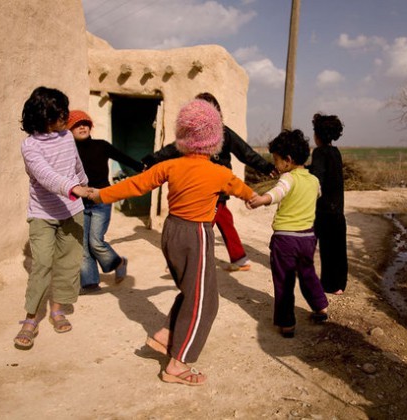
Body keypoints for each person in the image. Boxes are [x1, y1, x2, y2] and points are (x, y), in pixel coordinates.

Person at [88, 99, 256, 385]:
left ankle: (166, 335)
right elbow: (247, 193)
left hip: (171, 232)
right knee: (205, 302)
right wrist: (261, 198)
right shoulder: (220, 173)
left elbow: (134, 184)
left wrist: (99, 194)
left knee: (190, 291)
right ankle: (178, 364)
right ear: (215, 138)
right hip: (196, 234)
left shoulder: (170, 166)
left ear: (183, 135)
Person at [141, 92, 276, 272]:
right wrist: (152, 159)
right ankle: (240, 259)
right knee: (224, 219)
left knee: (202, 225)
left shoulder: (224, 133)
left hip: (217, 187)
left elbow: (246, 153)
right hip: (200, 185)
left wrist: (267, 167)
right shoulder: (193, 134)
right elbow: (171, 150)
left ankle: (187, 260)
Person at [14, 87, 92, 350]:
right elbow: (45, 176)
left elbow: (75, 165)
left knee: (69, 263)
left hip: (72, 211)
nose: (65, 118)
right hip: (43, 214)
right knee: (42, 263)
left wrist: (85, 184)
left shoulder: (67, 137)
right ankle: (31, 318)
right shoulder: (30, 146)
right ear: (42, 116)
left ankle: (57, 309)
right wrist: (74, 188)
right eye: (59, 114)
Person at [248, 129, 329, 338]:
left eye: (276, 160)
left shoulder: (288, 178)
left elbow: (277, 193)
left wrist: (260, 200)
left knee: (284, 280)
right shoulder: (313, 181)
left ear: (288, 160)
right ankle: (321, 306)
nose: (275, 164)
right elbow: (317, 195)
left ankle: (287, 323)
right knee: (307, 273)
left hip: (285, 240)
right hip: (308, 239)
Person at [67, 110, 144, 293]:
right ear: (69, 130)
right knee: (83, 244)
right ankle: (90, 282)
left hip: (102, 198)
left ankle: (118, 262)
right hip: (79, 202)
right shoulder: (68, 152)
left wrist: (143, 168)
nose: (82, 127)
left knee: (95, 241)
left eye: (85, 123)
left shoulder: (101, 145)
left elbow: (123, 158)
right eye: (77, 124)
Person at [306, 113, 348, 295]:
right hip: (338, 208)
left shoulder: (319, 152)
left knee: (326, 248)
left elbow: (317, 178)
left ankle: (328, 284)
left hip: (324, 209)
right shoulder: (335, 152)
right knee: (338, 247)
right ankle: (339, 285)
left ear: (318, 135)